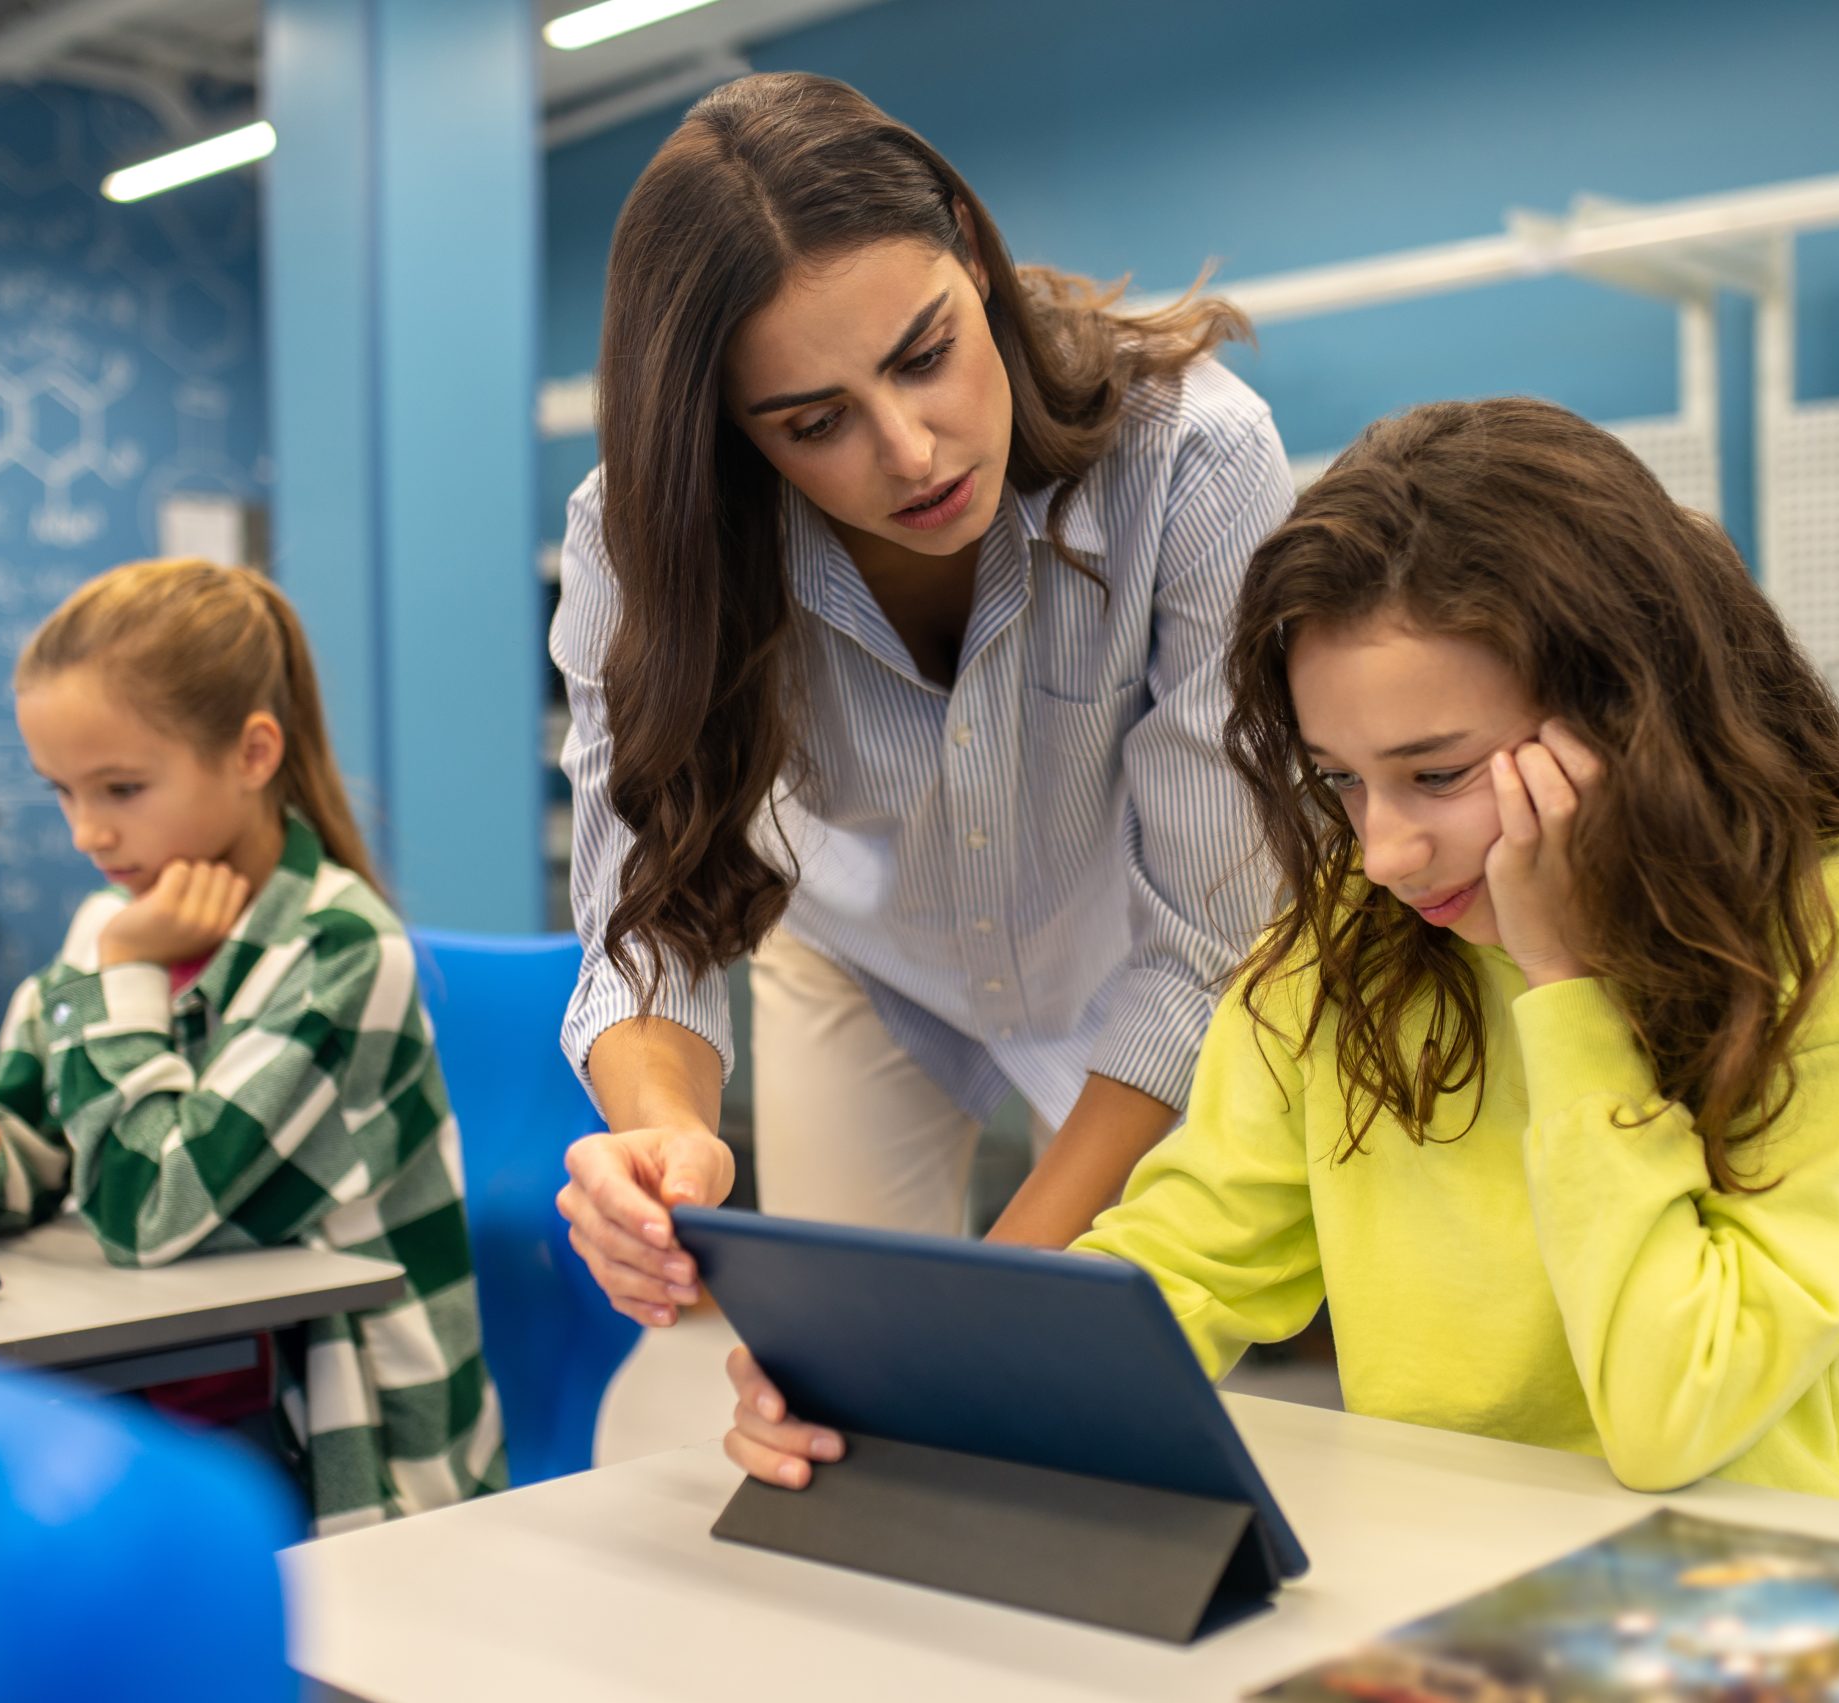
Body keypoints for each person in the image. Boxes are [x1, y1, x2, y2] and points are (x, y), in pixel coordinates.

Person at [722, 397, 1839, 1514]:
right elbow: (1183, 1261)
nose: (1386, 853)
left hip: (1813, 1599)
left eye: (1439, 772)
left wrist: (1569, 985)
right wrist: (898, 1383)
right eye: (1343, 783)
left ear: (1631, 712)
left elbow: (1676, 1410)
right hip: (1463, 1593)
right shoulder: (1345, 959)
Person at [554, 72, 1296, 1326]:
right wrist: (662, 1130)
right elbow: (644, 907)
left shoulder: (1195, 458)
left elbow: (1209, 948)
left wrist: (970, 1304)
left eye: (926, 355)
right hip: (866, 953)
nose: (908, 451)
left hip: (1144, 963)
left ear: (970, 246)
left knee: (1114, 1364)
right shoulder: (641, 541)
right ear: (734, 436)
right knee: (847, 1370)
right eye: (812, 422)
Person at [0, 559, 503, 1532]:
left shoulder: (336, 946)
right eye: (62, 793)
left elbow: (149, 1212)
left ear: (251, 753)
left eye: (120, 786)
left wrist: (120, 968)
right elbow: (50, 1152)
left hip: (353, 1451)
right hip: (197, 1406)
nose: (87, 833)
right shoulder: (113, 926)